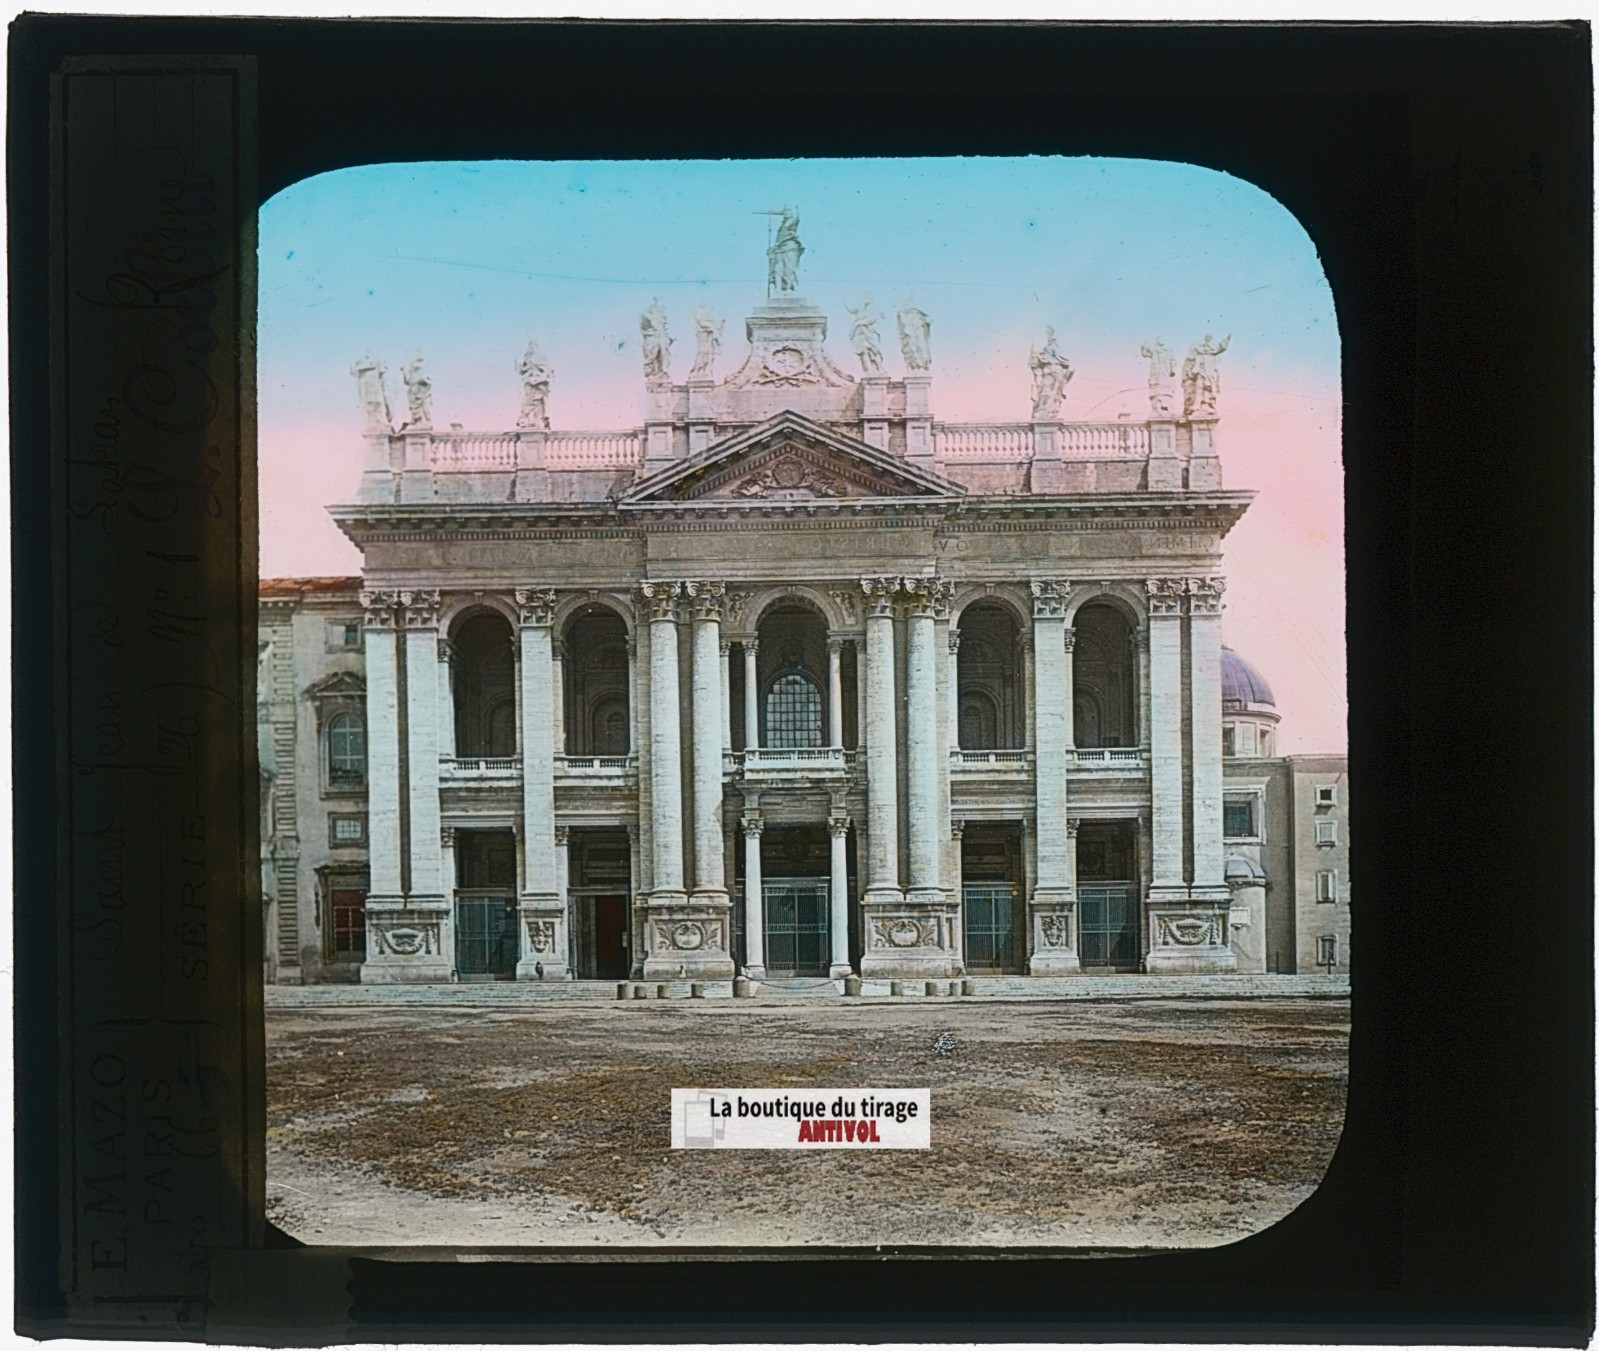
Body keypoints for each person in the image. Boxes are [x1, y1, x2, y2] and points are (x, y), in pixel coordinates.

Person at [1028, 326, 1073, 419]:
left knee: (1055, 395)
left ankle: (1051, 412)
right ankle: (1043, 412)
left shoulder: (1055, 351)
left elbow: (1070, 367)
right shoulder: (1041, 351)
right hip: (1048, 373)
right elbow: (1034, 365)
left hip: (1057, 373)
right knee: (1045, 393)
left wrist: (1064, 381)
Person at [1182, 333, 1230, 416]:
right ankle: (1198, 405)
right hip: (1201, 372)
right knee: (1199, 386)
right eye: (1207, 337)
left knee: (1208, 388)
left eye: (1210, 337)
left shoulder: (1211, 355)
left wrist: (1226, 340)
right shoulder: (1199, 355)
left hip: (1210, 373)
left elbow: (1221, 348)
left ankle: (1206, 405)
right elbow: (1193, 366)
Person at [515, 340, 553, 430]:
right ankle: (527, 420)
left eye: (533, 345)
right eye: (530, 345)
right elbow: (523, 369)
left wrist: (540, 379)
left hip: (539, 382)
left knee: (539, 402)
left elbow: (548, 371)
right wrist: (517, 365)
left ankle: (539, 421)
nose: (531, 347)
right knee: (528, 401)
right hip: (529, 381)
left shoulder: (541, 357)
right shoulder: (527, 358)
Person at [351, 351, 391, 433]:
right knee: (369, 402)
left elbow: (382, 374)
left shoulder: (377, 357)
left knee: (378, 401)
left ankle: (380, 420)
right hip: (366, 380)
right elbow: (354, 371)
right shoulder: (360, 357)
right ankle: (374, 421)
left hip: (374, 379)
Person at [767, 206, 804, 293]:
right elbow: (778, 238)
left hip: (790, 247)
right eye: (785, 212)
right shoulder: (782, 226)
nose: (786, 213)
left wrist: (796, 209)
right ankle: (778, 287)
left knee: (789, 269)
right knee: (778, 268)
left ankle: (789, 287)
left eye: (788, 212)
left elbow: (797, 219)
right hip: (780, 248)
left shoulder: (792, 221)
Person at [847, 293, 884, 374]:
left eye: (868, 296)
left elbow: (872, 319)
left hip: (870, 332)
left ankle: (879, 368)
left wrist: (858, 323)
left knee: (875, 351)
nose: (865, 298)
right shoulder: (860, 308)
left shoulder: (873, 309)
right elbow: (851, 310)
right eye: (864, 296)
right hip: (860, 333)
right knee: (863, 352)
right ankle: (869, 371)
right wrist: (843, 300)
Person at [640, 298, 672, 386]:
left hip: (660, 336)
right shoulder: (646, 314)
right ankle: (655, 373)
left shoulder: (662, 314)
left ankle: (660, 372)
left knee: (662, 355)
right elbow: (644, 327)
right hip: (652, 337)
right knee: (653, 355)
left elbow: (663, 327)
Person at [688, 306, 724, 381]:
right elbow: (703, 323)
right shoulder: (701, 317)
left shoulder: (707, 320)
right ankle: (697, 370)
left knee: (710, 355)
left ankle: (703, 371)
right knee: (703, 352)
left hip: (708, 339)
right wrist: (714, 328)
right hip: (703, 338)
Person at [897, 296, 931, 371]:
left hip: (918, 327)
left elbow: (929, 318)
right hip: (911, 328)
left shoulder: (919, 312)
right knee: (911, 345)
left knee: (921, 345)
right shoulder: (905, 309)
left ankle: (922, 366)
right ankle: (914, 366)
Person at [402, 353, 432, 430]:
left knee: (424, 408)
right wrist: (403, 373)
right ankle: (416, 421)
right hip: (412, 394)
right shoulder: (413, 376)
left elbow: (427, 382)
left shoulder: (423, 373)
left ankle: (424, 422)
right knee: (414, 408)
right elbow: (407, 382)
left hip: (421, 394)